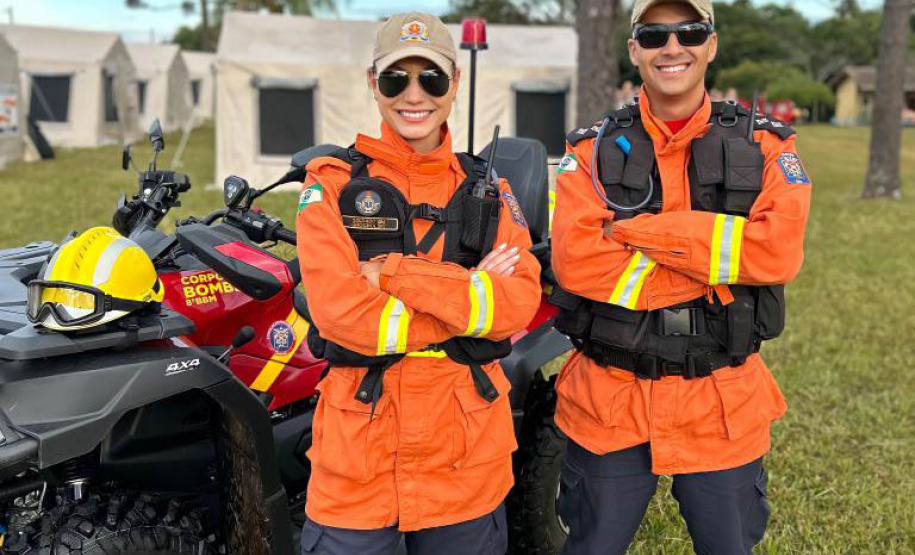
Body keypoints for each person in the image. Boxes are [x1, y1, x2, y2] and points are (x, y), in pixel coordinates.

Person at [550, 0, 812, 553]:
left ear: (711, 45)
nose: (673, 47)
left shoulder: (767, 145)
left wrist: (637, 234)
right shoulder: (588, 149)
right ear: (634, 51)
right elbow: (576, 262)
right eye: (654, 35)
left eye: (689, 32)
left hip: (721, 399)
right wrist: (712, 259)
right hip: (609, 398)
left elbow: (778, 254)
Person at [294, 12, 541, 555]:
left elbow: (517, 302)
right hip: (358, 464)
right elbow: (339, 312)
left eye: (430, 78)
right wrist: (467, 296)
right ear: (372, 83)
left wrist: (394, 273)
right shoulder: (331, 186)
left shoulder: (491, 192)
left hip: (465, 463)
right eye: (395, 78)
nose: (414, 95)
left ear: (454, 83)